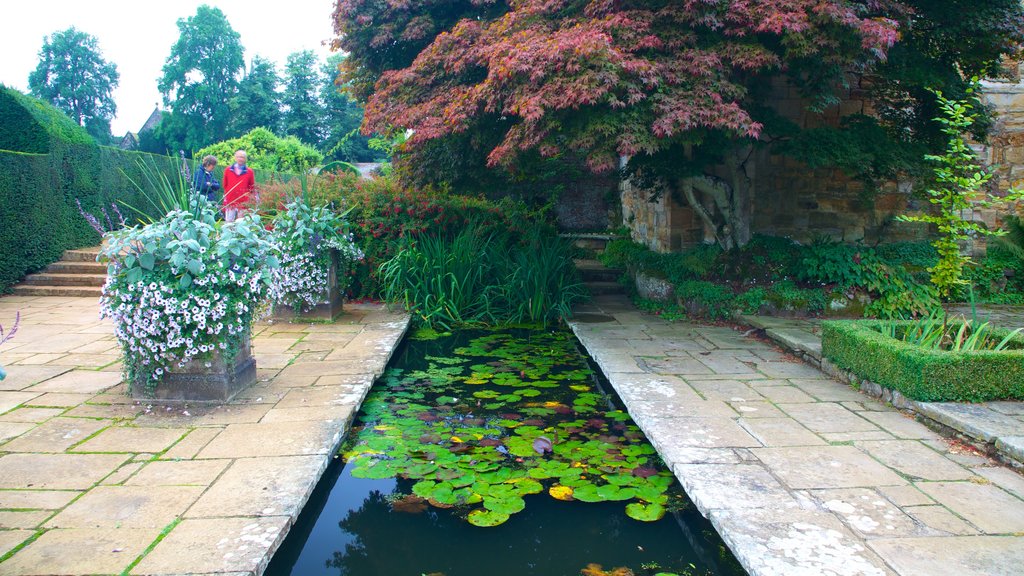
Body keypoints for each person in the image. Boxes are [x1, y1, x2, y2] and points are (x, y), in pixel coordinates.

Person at [223, 149, 255, 222]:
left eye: (242, 157)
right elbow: (225, 184)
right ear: (235, 158)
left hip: (243, 202)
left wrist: (247, 199)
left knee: (241, 222)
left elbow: (251, 187)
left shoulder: (249, 172)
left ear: (245, 159)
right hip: (230, 200)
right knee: (229, 222)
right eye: (239, 157)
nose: (240, 159)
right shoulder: (228, 170)